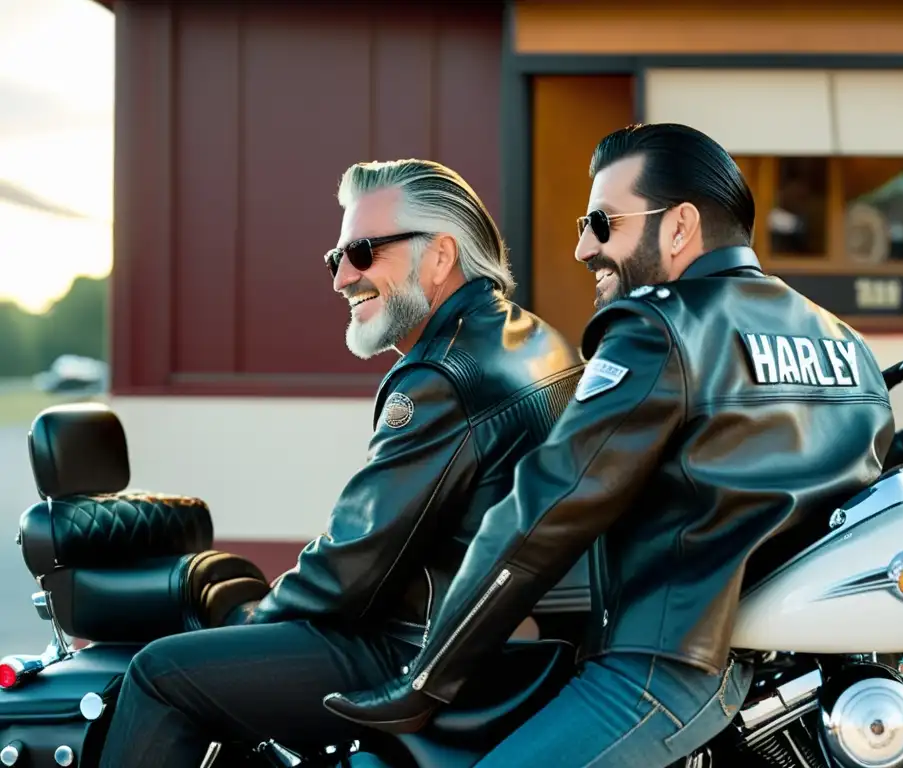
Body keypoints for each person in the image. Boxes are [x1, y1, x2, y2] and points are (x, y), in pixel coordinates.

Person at [324, 124, 896, 767]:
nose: (581, 248)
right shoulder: (842, 342)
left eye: (602, 222)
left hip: (660, 668)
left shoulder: (657, 327)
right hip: (779, 675)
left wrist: (427, 679)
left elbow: (547, 508)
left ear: (679, 226)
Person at [97, 159, 584, 767]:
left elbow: (356, 562)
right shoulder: (536, 340)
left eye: (361, 252)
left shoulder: (442, 375)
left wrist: (251, 618)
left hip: (424, 650)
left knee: (160, 675)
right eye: (336, 259)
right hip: (506, 641)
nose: (341, 279)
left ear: (439, 256)